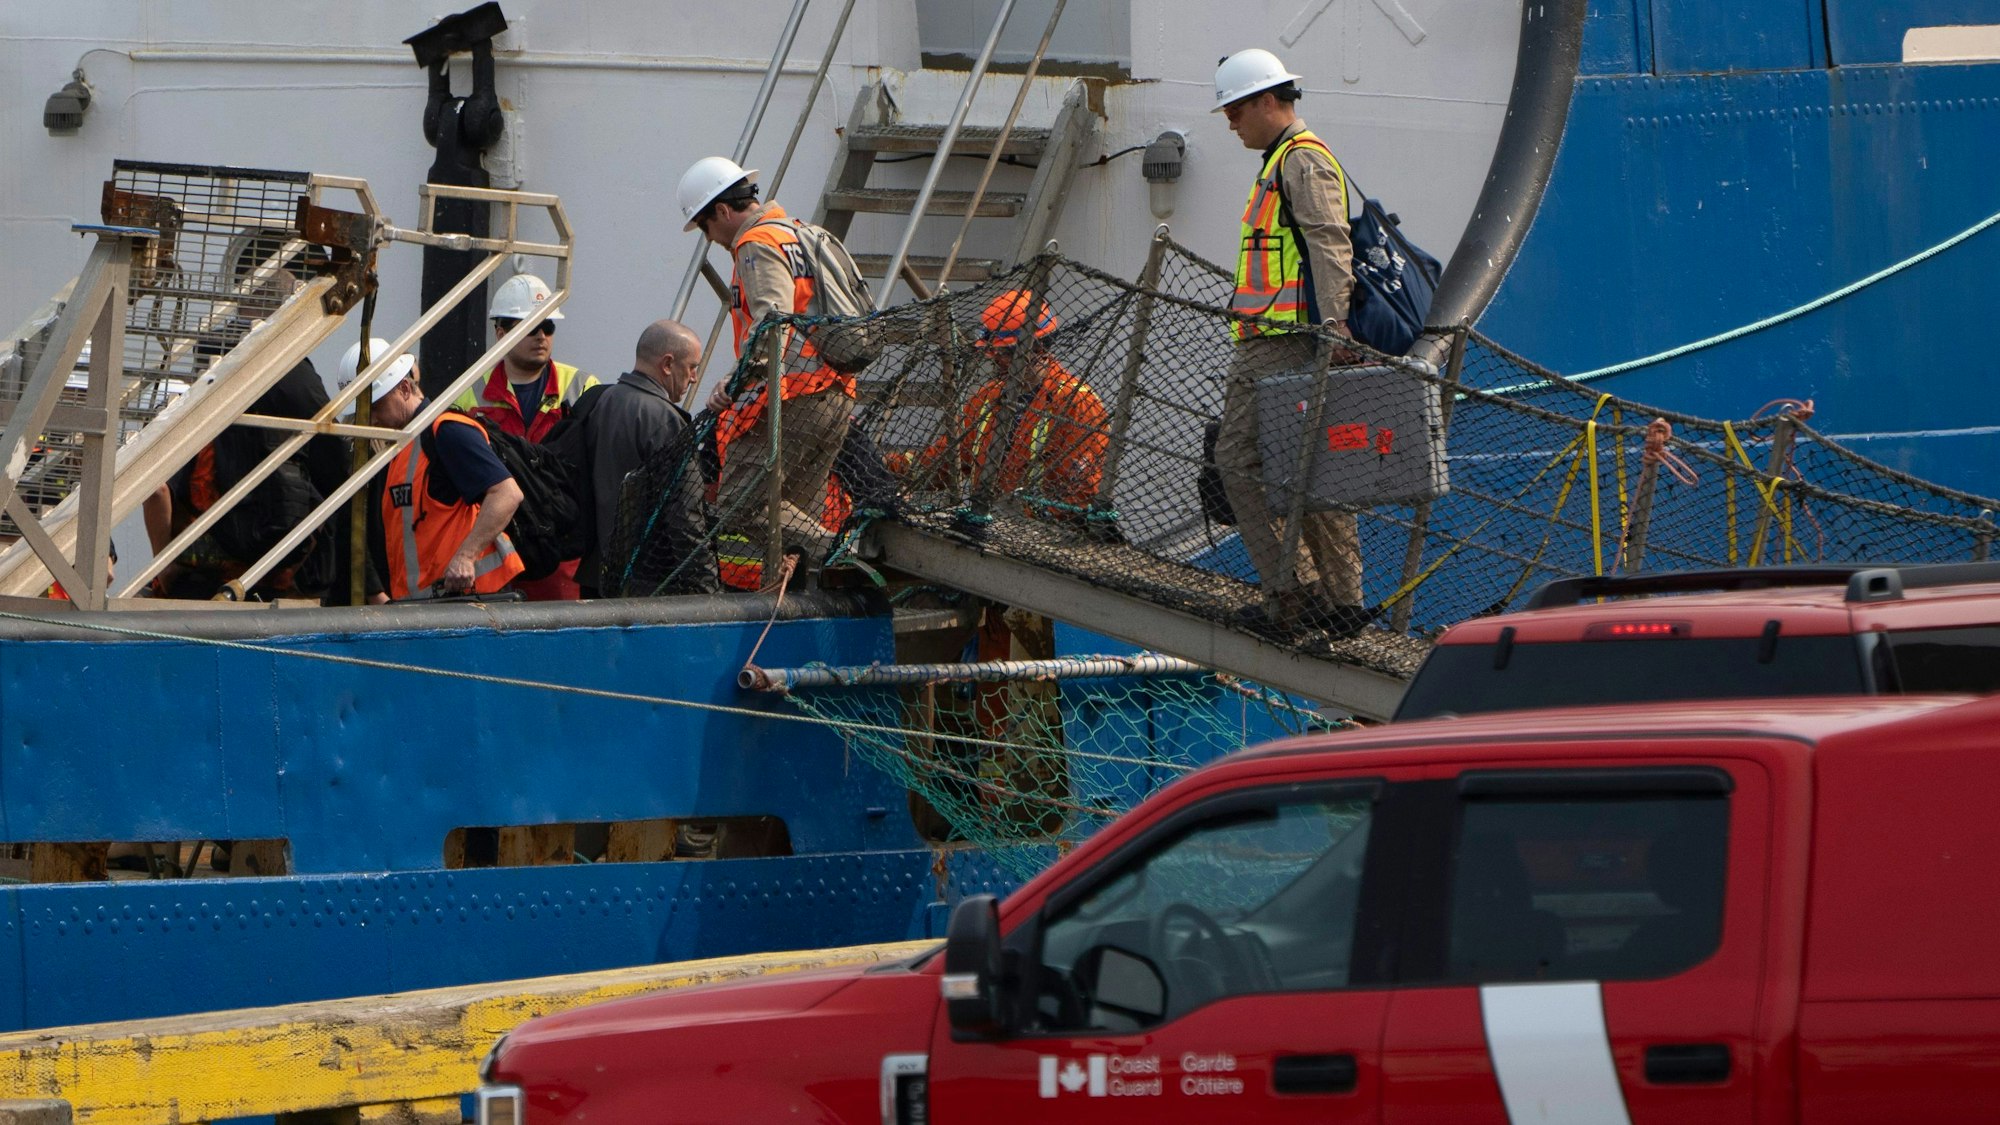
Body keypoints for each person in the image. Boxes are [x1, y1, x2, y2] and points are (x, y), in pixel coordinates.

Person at [1212, 47, 1371, 639]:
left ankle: (1296, 591)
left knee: (1237, 460)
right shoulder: (1284, 160)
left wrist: (1334, 329)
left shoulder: (1300, 162)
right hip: (1287, 337)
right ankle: (1339, 601)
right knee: (1317, 470)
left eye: (1235, 109)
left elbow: (1332, 243)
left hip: (1286, 341)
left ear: (1266, 101)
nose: (1230, 122)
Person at [677, 156, 856, 591]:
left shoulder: (754, 243)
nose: (710, 238)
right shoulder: (801, 233)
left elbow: (772, 321)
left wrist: (734, 381)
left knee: (741, 503)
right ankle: (804, 590)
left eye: (704, 225)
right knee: (797, 513)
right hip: (835, 392)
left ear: (721, 211)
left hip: (792, 395)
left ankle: (851, 551)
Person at [142, 271, 350, 601]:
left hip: (197, 561)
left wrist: (164, 566)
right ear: (286, 307)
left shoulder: (209, 360)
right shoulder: (291, 373)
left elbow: (156, 489)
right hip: (269, 565)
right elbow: (336, 463)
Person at [890, 290, 1108, 521]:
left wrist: (1029, 524)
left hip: (1044, 538)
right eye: (992, 350)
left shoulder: (1077, 405)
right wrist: (886, 466)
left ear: (1037, 348)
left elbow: (1079, 495)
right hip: (987, 528)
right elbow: (946, 461)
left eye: (1003, 352)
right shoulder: (989, 396)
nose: (994, 358)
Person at [453, 272, 599, 600]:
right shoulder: (467, 394)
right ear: (501, 332)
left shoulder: (582, 387)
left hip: (562, 551)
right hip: (496, 549)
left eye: (548, 327)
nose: (542, 336)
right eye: (531, 327)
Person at [354, 338, 526, 600]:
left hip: (473, 598)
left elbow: (507, 493)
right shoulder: (405, 446)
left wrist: (466, 556)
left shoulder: (446, 430)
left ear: (404, 389)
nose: (371, 418)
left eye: (376, 406)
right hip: (435, 603)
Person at [577, 319, 718, 598]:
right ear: (667, 364)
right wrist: (708, 590)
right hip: (648, 587)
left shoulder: (599, 400)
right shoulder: (665, 420)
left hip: (595, 579)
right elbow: (685, 515)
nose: (693, 378)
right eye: (692, 367)